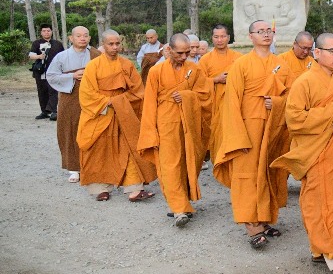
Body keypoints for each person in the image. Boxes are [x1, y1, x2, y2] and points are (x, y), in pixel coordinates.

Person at [273, 33, 333, 274]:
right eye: (332, 51)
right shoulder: (304, 82)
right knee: (318, 202)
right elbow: (294, 119)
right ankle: (331, 252)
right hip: (317, 151)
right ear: (317, 53)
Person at [214, 20, 294, 250]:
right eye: (261, 31)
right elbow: (231, 102)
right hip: (247, 128)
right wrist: (238, 136)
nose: (266, 35)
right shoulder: (242, 64)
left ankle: (265, 218)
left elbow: (291, 97)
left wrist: (277, 103)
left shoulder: (281, 64)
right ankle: (251, 224)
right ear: (251, 37)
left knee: (269, 172)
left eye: (269, 31)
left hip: (273, 127)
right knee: (247, 175)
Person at [138, 34, 212, 227]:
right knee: (169, 164)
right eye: (180, 53)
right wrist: (149, 131)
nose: (184, 56)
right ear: (169, 50)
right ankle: (178, 209)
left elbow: (206, 96)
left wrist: (187, 97)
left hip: (189, 123)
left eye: (188, 52)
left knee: (188, 161)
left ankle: (183, 200)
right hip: (165, 122)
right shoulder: (156, 71)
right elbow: (149, 103)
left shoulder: (194, 69)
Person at [77, 29, 155, 202]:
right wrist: (108, 102)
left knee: (128, 149)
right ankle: (100, 188)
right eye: (110, 44)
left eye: (117, 43)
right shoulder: (93, 66)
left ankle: (134, 188)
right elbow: (86, 94)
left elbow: (138, 91)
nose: (114, 47)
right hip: (101, 114)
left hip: (123, 112)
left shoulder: (126, 64)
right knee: (99, 150)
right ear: (103, 45)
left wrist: (120, 101)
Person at [46, 26, 99, 182]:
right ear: (71, 38)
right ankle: (74, 168)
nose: (82, 38)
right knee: (70, 128)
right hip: (70, 95)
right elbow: (51, 76)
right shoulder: (61, 56)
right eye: (78, 36)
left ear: (89, 38)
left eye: (85, 35)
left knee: (92, 128)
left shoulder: (96, 55)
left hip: (92, 95)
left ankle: (92, 165)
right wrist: (72, 76)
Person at [198, 24, 242, 162]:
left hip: (233, 103)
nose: (220, 40)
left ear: (228, 38)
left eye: (223, 36)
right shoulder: (205, 59)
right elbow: (199, 83)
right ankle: (218, 162)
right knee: (217, 134)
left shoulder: (239, 58)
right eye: (216, 37)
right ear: (212, 38)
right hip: (214, 105)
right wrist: (216, 80)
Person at [29, 23, 63, 120]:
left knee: (53, 91)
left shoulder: (58, 44)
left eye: (48, 30)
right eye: (44, 31)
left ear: (51, 32)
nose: (46, 32)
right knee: (42, 91)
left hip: (54, 72)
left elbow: (63, 56)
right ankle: (44, 112)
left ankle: (53, 112)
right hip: (40, 71)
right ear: (41, 32)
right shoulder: (36, 43)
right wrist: (39, 56)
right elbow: (31, 55)